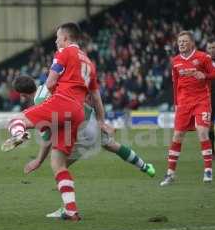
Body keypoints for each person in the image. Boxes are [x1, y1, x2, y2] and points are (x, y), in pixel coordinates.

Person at [2, 23, 107, 221]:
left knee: (16, 119)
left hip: (62, 103)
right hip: (77, 112)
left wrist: (51, 100)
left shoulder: (64, 53)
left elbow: (50, 83)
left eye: (58, 37)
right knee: (58, 163)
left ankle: (19, 134)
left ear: (66, 39)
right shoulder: (89, 63)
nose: (56, 41)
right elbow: (95, 95)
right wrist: (101, 120)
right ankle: (71, 210)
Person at [13, 75, 155, 184]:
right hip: (89, 117)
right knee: (112, 145)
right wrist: (101, 121)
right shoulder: (49, 85)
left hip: (81, 130)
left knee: (59, 167)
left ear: (23, 94)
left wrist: (38, 160)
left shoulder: (40, 101)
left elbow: (48, 135)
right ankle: (145, 166)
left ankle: (68, 208)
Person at [160, 31, 215, 186]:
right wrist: (176, 104)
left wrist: (205, 76)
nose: (181, 44)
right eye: (179, 41)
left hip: (201, 101)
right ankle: (170, 174)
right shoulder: (175, 62)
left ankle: (208, 170)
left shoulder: (204, 57)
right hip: (183, 104)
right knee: (177, 136)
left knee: (202, 132)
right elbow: (175, 85)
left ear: (192, 43)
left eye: (184, 41)